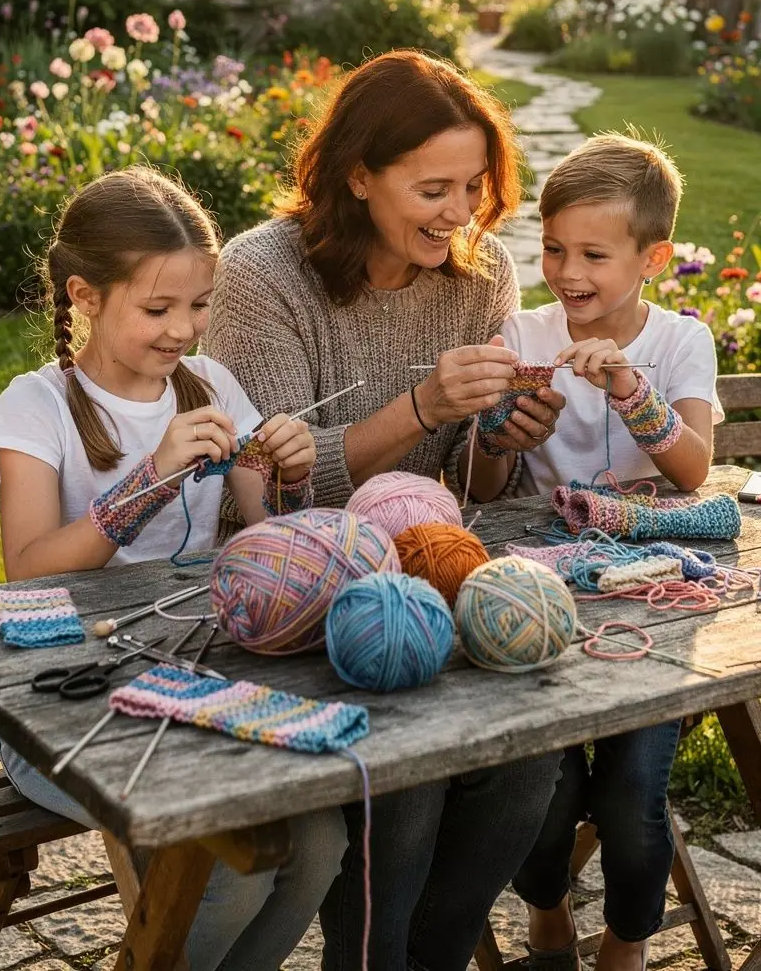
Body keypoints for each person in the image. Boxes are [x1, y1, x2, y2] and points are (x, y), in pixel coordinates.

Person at [206, 49, 565, 971]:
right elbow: (280, 500)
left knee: (528, 754)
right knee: (406, 777)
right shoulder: (263, 276)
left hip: (422, 589)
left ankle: (433, 955)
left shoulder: (478, 282)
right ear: (359, 175)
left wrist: (503, 437)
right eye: (434, 188)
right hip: (298, 605)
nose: (460, 215)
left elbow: (472, 491)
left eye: (475, 187)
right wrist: (422, 409)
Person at [0, 166, 346, 971]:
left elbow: (271, 533)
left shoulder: (209, 385)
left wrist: (289, 471)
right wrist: (147, 481)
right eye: (158, 308)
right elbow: (26, 573)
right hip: (60, 707)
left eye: (199, 303)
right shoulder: (37, 406)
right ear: (85, 294)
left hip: (196, 677)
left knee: (319, 840)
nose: (185, 327)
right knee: (230, 868)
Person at [480, 132, 723, 971]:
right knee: (539, 791)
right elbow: (486, 485)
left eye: (592, 253)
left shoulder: (680, 342)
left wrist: (631, 388)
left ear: (652, 257)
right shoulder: (522, 328)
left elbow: (694, 469)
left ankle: (626, 940)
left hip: (651, 601)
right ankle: (548, 909)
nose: (567, 271)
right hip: (541, 597)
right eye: (553, 248)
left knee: (631, 794)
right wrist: (508, 430)